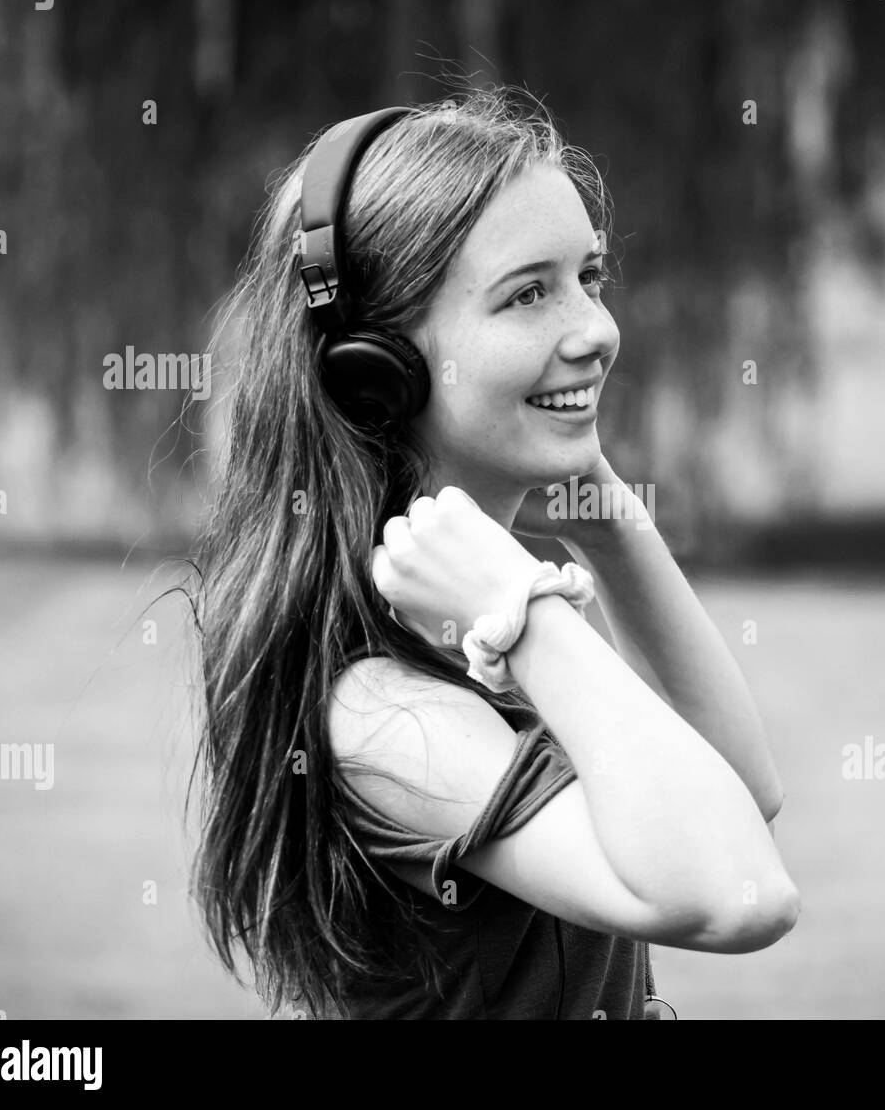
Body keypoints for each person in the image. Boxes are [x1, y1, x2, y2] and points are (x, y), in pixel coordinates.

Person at [188, 84, 799, 1020]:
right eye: (528, 294)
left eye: (590, 277)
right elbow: (738, 895)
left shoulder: (466, 628)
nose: (596, 331)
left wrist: (601, 513)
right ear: (375, 368)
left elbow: (740, 791)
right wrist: (523, 612)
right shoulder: (380, 716)